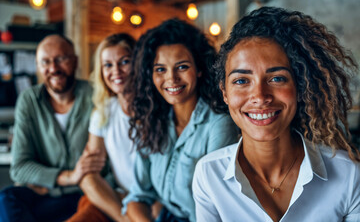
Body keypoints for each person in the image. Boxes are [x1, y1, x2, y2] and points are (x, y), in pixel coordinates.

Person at [192, 6, 360, 222]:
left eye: (277, 78)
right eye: (241, 81)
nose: (260, 96)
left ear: (299, 88)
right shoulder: (209, 174)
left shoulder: (349, 176)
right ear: (224, 93)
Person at [122, 19, 239, 222]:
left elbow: (217, 209)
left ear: (199, 69)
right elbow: (138, 197)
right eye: (160, 69)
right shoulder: (151, 120)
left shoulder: (219, 125)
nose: (171, 78)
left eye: (182, 67)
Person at [0, 35, 102, 222]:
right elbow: (19, 168)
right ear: (38, 66)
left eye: (61, 59)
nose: (53, 69)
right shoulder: (29, 99)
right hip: (45, 197)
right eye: (45, 62)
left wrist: (43, 178)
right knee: (7, 198)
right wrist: (69, 176)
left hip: (85, 194)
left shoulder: (96, 95)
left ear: (75, 61)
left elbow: (105, 164)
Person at [67, 33, 143, 222]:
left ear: (138, 63)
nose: (116, 71)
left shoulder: (156, 108)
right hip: (119, 200)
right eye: (108, 65)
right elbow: (89, 174)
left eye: (124, 62)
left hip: (155, 201)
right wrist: (122, 217)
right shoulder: (104, 111)